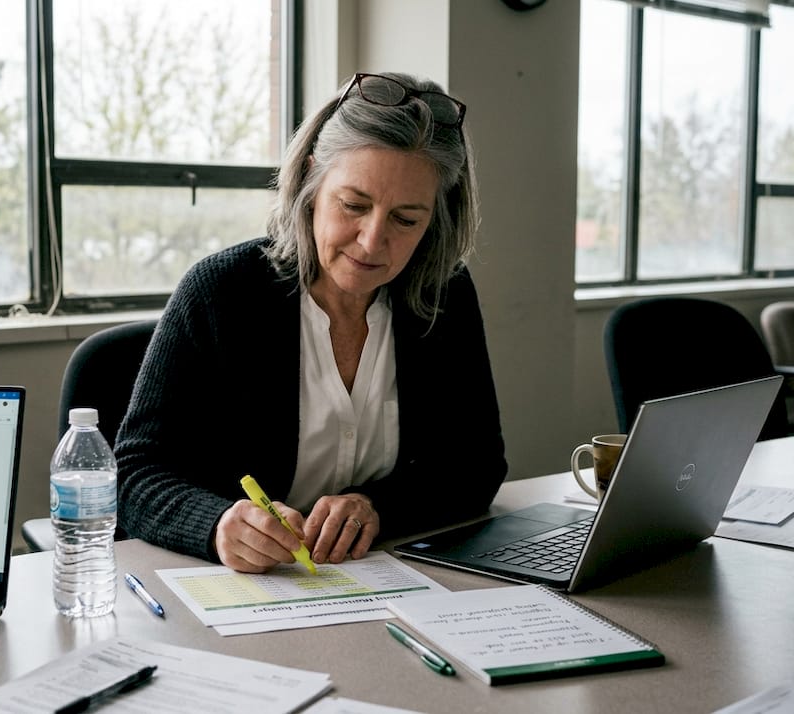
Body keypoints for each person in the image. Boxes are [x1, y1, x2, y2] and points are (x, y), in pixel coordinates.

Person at [115, 71, 508, 573]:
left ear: (436, 220)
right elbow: (134, 472)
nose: (371, 242)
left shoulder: (443, 293)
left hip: (381, 579)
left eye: (406, 219)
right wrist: (216, 525)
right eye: (353, 205)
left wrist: (376, 507)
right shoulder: (220, 292)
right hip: (241, 592)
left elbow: (477, 465)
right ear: (309, 182)